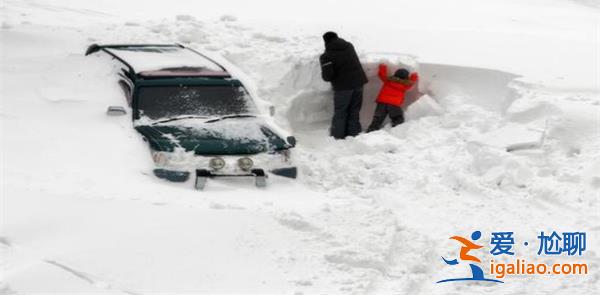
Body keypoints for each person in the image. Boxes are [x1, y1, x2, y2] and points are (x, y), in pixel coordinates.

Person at [319, 31, 368, 139]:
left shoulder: (326, 56)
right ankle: (353, 135)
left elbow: (327, 77)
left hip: (343, 88)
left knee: (341, 112)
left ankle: (338, 137)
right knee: (354, 110)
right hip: (359, 83)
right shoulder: (349, 46)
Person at [366, 64, 419, 132]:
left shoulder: (388, 80)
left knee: (377, 119)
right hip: (394, 105)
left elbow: (382, 75)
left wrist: (383, 66)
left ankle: (371, 131)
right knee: (397, 119)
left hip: (382, 102)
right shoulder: (405, 85)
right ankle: (396, 132)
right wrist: (414, 74)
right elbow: (412, 82)